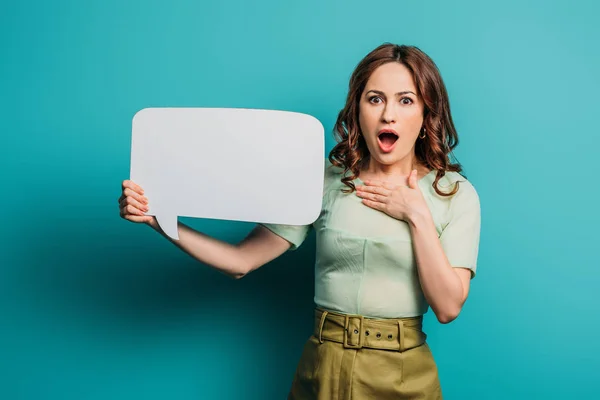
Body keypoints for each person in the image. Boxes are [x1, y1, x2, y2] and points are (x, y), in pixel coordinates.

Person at [118, 43, 481, 399]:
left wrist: (416, 214)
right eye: (375, 98)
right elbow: (240, 261)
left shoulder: (454, 193)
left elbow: (448, 307)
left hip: (403, 375)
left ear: (425, 114)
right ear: (358, 110)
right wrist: (159, 220)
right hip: (323, 367)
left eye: (405, 100)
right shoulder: (324, 181)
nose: (388, 114)